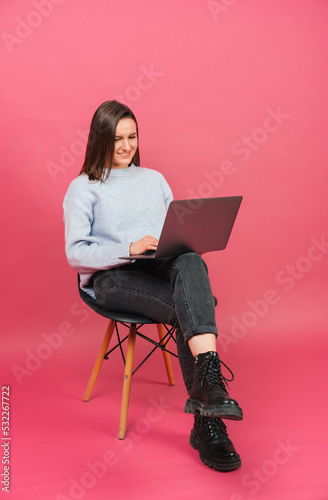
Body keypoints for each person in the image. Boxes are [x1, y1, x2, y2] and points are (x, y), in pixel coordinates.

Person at [63, 100, 243, 472]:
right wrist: (129, 248)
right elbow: (76, 254)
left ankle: (208, 390)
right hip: (112, 277)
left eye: (132, 136)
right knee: (194, 304)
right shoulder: (83, 188)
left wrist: (187, 241)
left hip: (157, 266)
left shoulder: (154, 179)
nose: (126, 146)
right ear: (100, 140)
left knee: (191, 262)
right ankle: (209, 423)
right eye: (117, 139)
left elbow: (172, 230)